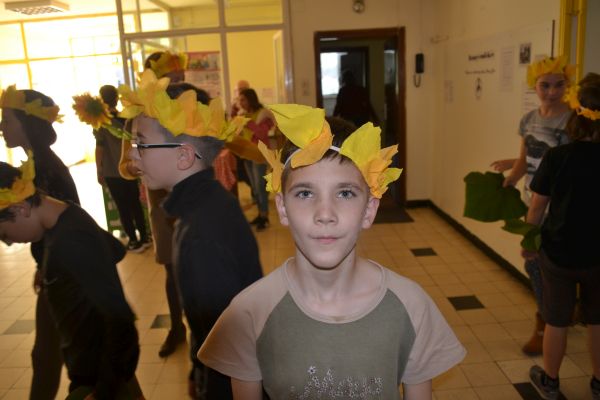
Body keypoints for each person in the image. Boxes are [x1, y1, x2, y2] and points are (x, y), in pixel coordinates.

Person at [199, 106, 466, 399]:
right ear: (282, 208)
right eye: (305, 193)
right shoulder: (247, 314)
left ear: (369, 210)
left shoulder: (411, 306)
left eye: (345, 193)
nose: (325, 214)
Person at [120, 69, 263, 399]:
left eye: (141, 144)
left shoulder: (200, 234)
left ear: (184, 155)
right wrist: (196, 367)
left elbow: (228, 343)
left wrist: (205, 380)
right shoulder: (208, 204)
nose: (131, 155)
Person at [0, 156, 142, 399]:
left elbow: (121, 321)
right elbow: (114, 249)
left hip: (99, 382)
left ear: (20, 208)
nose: (9, 242)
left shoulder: (70, 240)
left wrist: (103, 391)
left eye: (3, 234)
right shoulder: (65, 218)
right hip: (91, 374)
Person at [522, 73, 600, 400]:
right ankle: (598, 383)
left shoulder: (557, 157)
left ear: (575, 116)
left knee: (556, 321)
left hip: (559, 253)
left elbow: (537, 207)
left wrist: (529, 243)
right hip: (598, 255)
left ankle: (550, 382)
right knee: (597, 322)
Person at [0, 86, 80, 400]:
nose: (2, 127)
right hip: (58, 269)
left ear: (27, 123)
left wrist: (47, 264)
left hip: (64, 272)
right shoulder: (37, 162)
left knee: (49, 357)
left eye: (7, 120)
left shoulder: (44, 168)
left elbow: (63, 223)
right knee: (51, 355)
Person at [491, 55, 574, 355]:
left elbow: (571, 164)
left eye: (559, 85)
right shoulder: (528, 120)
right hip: (533, 201)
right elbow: (527, 158)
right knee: (537, 263)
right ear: (534, 86)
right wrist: (511, 179)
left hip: (562, 208)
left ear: (568, 85)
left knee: (539, 263)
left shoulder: (572, 121)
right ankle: (555, 316)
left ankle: (546, 322)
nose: (552, 91)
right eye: (544, 85)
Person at [119, 51, 189, 359]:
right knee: (172, 271)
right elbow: (124, 166)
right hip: (162, 204)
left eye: (179, 75)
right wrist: (136, 165)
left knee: (202, 266)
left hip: (194, 200)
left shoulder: (189, 108)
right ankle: (177, 327)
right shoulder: (136, 116)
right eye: (171, 76)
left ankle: (209, 329)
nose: (178, 80)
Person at [94, 85, 150, 252]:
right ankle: (145, 237)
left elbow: (100, 148)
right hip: (130, 167)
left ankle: (133, 240)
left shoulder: (101, 122)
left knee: (122, 207)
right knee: (135, 204)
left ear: (101, 100)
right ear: (116, 99)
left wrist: (99, 170)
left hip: (112, 170)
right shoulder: (127, 118)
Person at [239, 88, 274, 231]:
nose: (240, 103)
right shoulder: (243, 114)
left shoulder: (263, 114)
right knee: (255, 187)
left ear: (250, 99)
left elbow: (262, 134)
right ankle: (260, 214)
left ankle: (264, 217)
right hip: (247, 154)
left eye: (243, 100)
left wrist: (248, 123)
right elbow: (242, 135)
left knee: (260, 187)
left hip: (259, 155)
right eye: (240, 100)